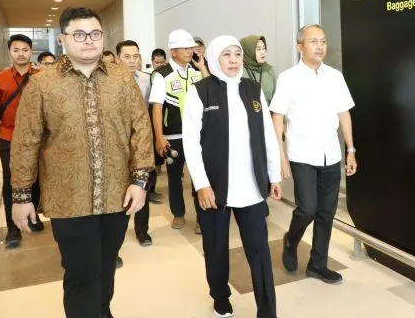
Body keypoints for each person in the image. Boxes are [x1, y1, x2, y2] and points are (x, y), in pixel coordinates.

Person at [10, 7, 153, 318]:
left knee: (106, 266)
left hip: (117, 195)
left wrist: (140, 180)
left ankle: (103, 311)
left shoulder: (121, 79)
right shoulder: (43, 84)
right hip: (68, 199)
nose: (89, 40)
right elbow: (25, 142)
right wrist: (21, 196)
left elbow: (141, 128)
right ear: (63, 39)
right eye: (79, 34)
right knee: (81, 273)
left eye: (95, 34)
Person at [183, 36, 282, 318]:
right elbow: (191, 142)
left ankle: (267, 310)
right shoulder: (201, 92)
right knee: (215, 247)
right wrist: (202, 184)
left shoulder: (253, 89)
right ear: (215, 58)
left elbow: (267, 135)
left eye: (237, 54)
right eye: (226, 54)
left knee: (259, 249)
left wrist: (273, 175)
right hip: (215, 186)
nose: (233, 60)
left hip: (251, 185)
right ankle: (220, 297)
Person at [270, 24, 358, 285]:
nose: (319, 46)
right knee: (307, 208)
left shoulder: (335, 77)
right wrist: (281, 156)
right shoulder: (288, 78)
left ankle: (317, 265)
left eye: (323, 41)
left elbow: (344, 113)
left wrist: (351, 150)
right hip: (301, 154)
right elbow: (277, 118)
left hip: (331, 154)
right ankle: (291, 240)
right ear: (300, 46)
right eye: (313, 41)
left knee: (326, 213)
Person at [0, 34, 43, 249]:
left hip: (37, 138)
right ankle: (13, 229)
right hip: (9, 136)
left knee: (36, 179)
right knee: (11, 181)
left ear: (31, 51)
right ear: (9, 52)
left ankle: (32, 216)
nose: (21, 54)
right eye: (16, 50)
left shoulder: (42, 76)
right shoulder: (1, 78)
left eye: (25, 50)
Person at [149, 29, 209, 233]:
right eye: (185, 48)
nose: (190, 51)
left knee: (199, 177)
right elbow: (157, 107)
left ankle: (202, 217)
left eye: (191, 47)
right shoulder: (162, 74)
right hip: (173, 136)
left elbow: (210, 89)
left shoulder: (195, 70)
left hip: (197, 135)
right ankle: (178, 213)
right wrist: (159, 137)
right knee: (174, 178)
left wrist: (202, 67)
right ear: (173, 51)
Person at [116, 39, 161, 248]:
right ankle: (116, 236)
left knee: (143, 183)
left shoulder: (147, 80)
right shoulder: (109, 82)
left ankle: (142, 231)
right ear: (117, 59)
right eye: (127, 57)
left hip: (142, 141)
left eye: (136, 56)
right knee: (119, 189)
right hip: (119, 143)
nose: (132, 61)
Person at [240, 35, 278, 104]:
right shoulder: (239, 71)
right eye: (258, 49)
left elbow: (277, 99)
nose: (263, 52)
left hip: (268, 110)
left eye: (264, 48)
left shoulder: (269, 70)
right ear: (248, 51)